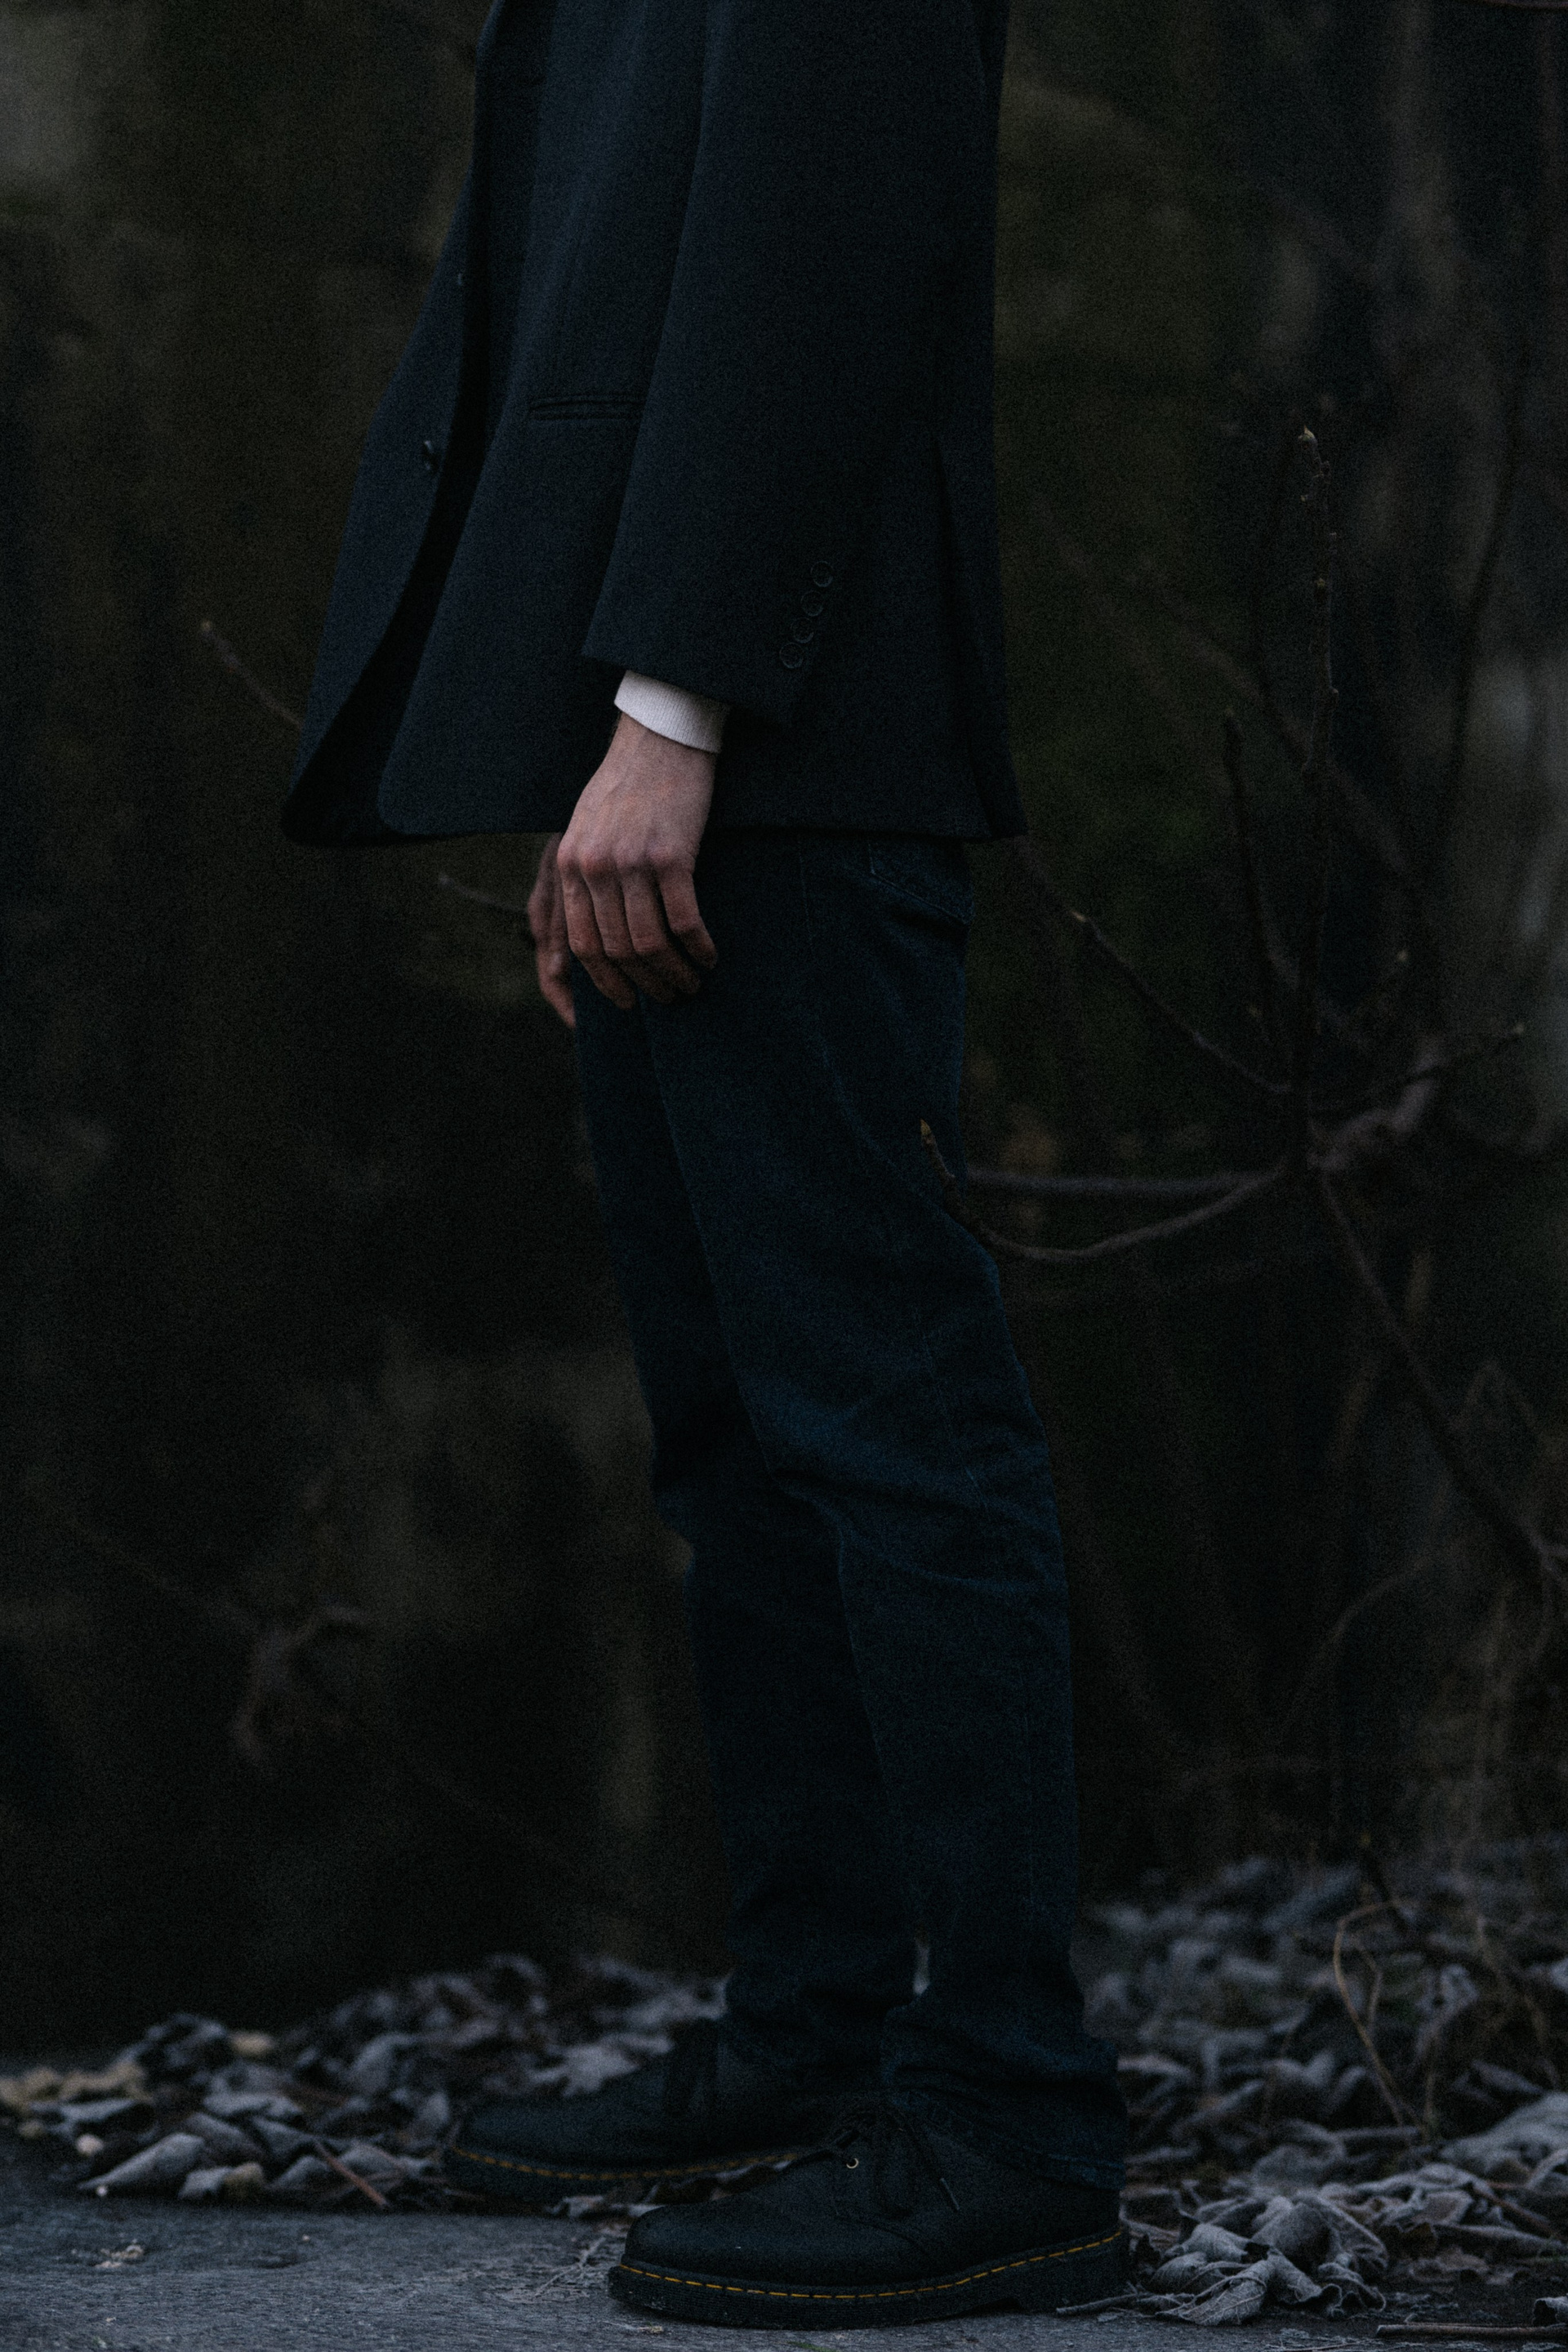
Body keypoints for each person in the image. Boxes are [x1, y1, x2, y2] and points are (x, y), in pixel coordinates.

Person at [283, 0, 1128, 2323]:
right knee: (739, 1432)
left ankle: (1014, 2117)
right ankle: (820, 2026)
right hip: (681, 729)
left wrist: (673, 715)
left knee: (883, 1418)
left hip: (782, 731)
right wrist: (599, 745)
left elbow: (823, 235)